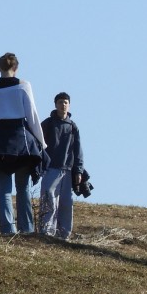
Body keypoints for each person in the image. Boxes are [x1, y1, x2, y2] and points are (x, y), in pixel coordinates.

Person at [0, 53, 48, 236]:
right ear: (16, 68)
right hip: (22, 142)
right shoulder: (24, 86)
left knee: (4, 190)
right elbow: (33, 116)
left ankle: (7, 230)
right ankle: (26, 229)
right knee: (23, 188)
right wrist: (42, 144)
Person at [38, 92, 85, 239]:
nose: (63, 105)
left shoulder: (73, 127)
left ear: (69, 105)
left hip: (68, 170)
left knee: (66, 203)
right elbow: (39, 145)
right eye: (60, 102)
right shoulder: (47, 124)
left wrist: (78, 170)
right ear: (55, 104)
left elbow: (78, 150)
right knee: (49, 199)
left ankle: (63, 234)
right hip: (51, 168)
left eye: (65, 102)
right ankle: (46, 231)